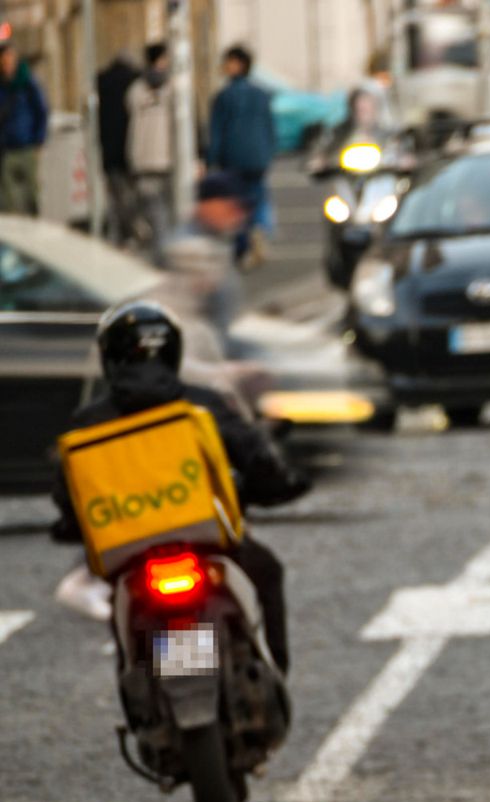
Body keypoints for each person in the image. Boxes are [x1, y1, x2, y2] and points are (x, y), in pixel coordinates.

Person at [50, 301, 309, 672]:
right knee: (267, 571)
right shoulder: (202, 404)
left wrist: (68, 525)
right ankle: (274, 671)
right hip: (205, 541)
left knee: (122, 614)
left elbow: (69, 493)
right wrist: (281, 484)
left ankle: (138, 686)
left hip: (129, 558)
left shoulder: (87, 422)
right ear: (174, 353)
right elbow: (255, 458)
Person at [160, 172, 249, 348]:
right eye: (231, 207)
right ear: (209, 205)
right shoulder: (190, 252)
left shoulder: (217, 243)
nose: (239, 215)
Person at [207, 45, 276, 269]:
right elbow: (270, 127)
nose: (225, 67)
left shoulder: (224, 96)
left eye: (228, 62)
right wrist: (269, 152)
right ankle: (259, 229)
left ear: (238, 64)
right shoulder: (262, 94)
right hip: (259, 157)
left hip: (233, 157)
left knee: (236, 204)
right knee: (258, 197)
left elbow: (216, 131)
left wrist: (211, 160)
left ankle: (243, 247)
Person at [126, 43, 175, 250]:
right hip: (166, 157)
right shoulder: (173, 88)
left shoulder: (135, 90)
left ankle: (159, 245)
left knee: (153, 209)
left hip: (143, 158)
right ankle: (164, 249)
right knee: (165, 209)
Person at [0, 43, 49, 215]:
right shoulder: (2, 86)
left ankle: (35, 230)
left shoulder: (27, 82)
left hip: (27, 146)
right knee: (7, 201)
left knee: (32, 196)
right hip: (6, 150)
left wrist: (39, 139)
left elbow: (41, 110)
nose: (6, 63)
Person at [96, 52, 139, 244]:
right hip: (130, 148)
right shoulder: (135, 82)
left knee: (115, 196)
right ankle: (129, 231)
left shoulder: (102, 82)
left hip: (109, 149)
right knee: (130, 194)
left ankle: (121, 234)